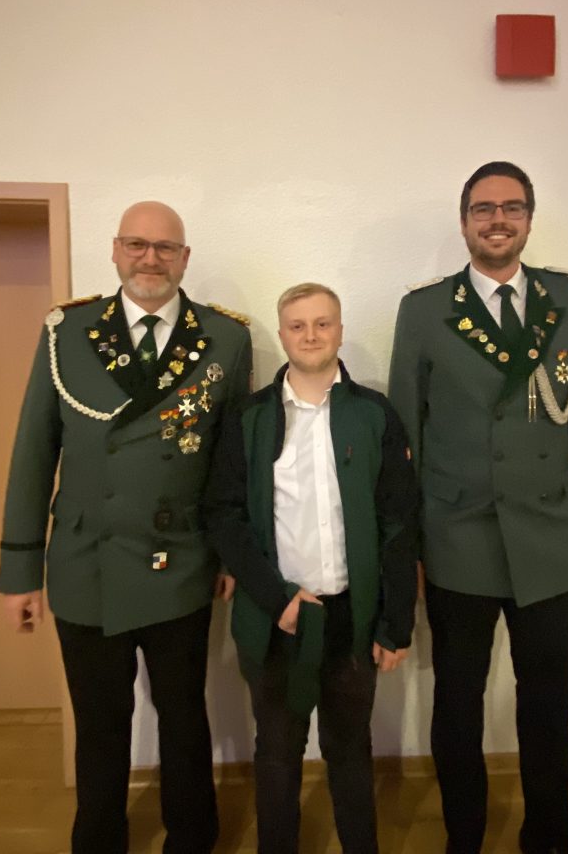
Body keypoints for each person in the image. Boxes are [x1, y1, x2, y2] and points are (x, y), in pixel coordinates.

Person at [388, 162, 568, 854]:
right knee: (457, 707)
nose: (498, 219)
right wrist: (405, 550)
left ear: (528, 217)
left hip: (552, 539)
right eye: (483, 208)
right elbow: (403, 440)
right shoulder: (424, 310)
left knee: (548, 709)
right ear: (464, 220)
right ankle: (463, 837)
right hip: (457, 540)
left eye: (512, 207)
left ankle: (548, 838)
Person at [0, 201, 252, 854]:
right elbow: (33, 452)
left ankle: (192, 837)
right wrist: (20, 570)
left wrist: (231, 555)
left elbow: (232, 463)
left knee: (184, 716)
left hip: (181, 559)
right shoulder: (68, 332)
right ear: (115, 250)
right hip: (86, 561)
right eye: (136, 244)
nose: (150, 258)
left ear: (184, 258)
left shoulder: (224, 338)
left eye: (165, 248)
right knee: (101, 722)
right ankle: (99, 839)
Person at [206, 283, 418, 854]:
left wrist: (396, 624)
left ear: (340, 331)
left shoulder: (374, 414)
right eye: (297, 326)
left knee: (350, 748)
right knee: (277, 752)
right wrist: (276, 598)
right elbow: (223, 514)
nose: (311, 336)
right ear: (282, 335)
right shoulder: (249, 417)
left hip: (351, 616)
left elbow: (399, 522)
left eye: (323, 324)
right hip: (278, 615)